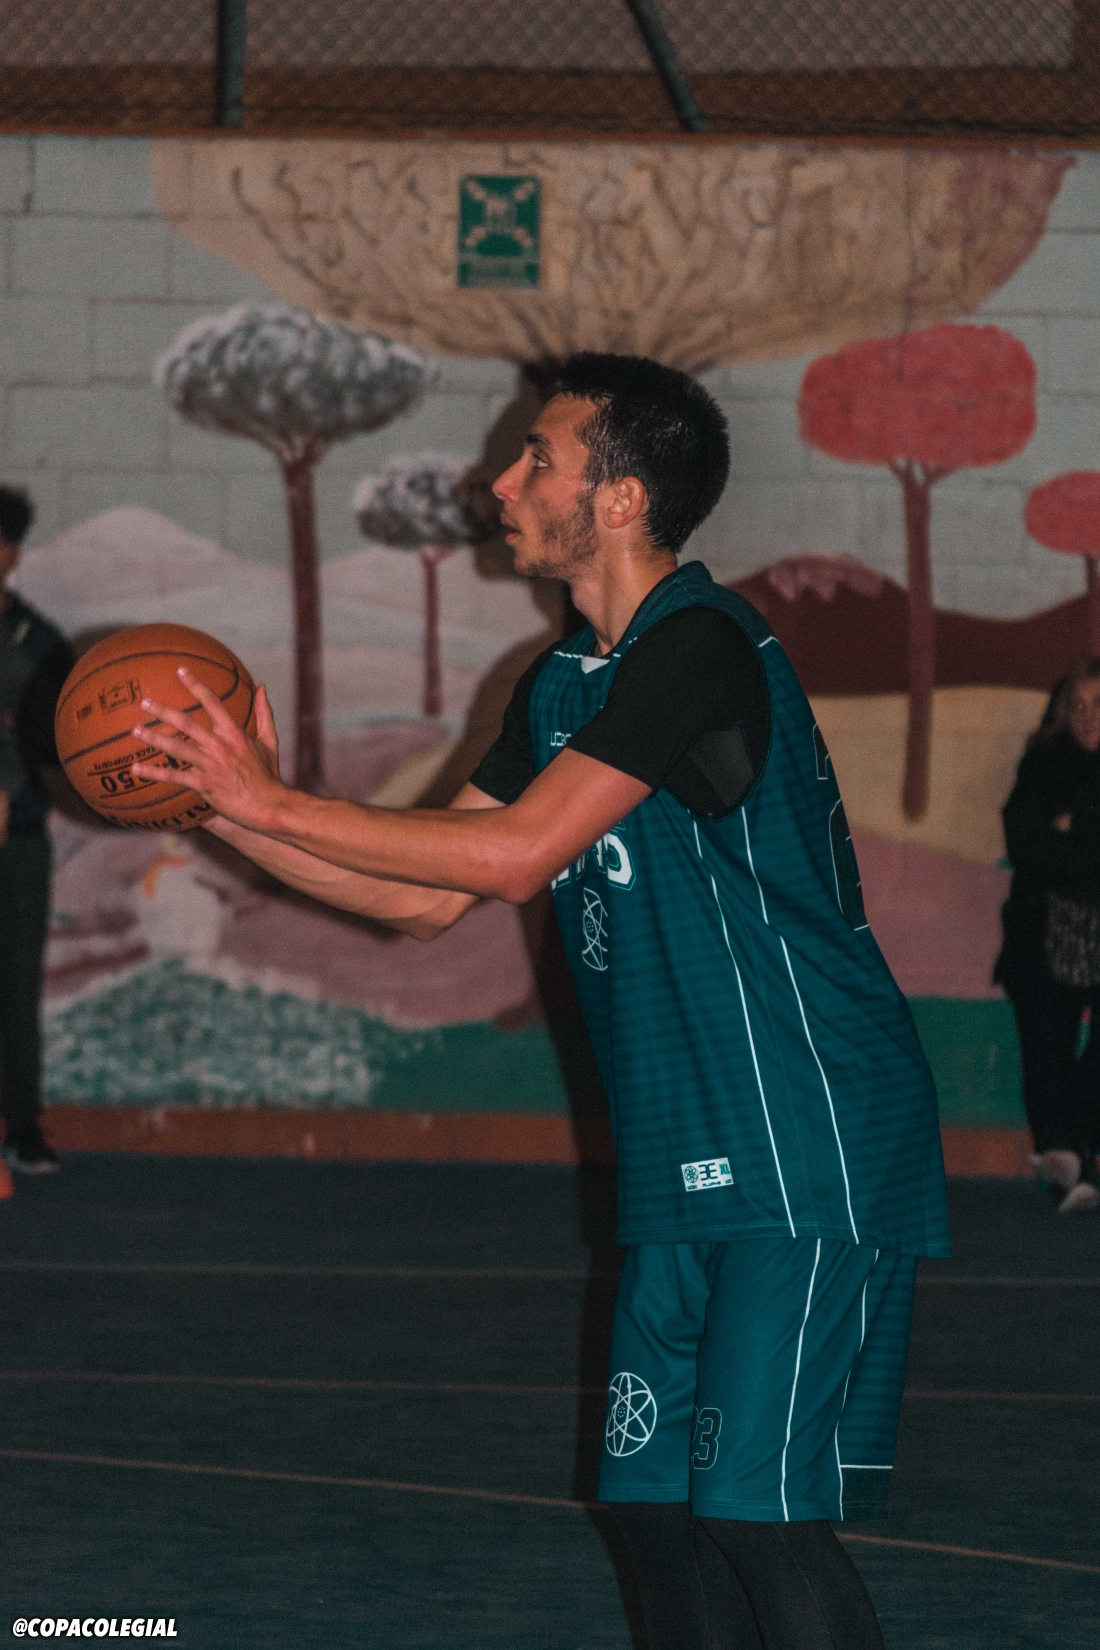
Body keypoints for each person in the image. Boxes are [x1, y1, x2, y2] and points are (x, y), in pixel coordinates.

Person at [132, 354, 950, 1650]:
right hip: (689, 1135)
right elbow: (420, 897)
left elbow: (514, 855)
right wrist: (220, 810)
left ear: (620, 500)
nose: (500, 481)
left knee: (756, 1518)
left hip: (807, 1128)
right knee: (652, 1511)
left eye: (537, 458)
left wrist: (273, 801)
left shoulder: (700, 647)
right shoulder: (565, 676)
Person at [996, 659, 1100, 1212]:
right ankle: (1068, 1163)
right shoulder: (1042, 763)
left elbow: (1059, 848)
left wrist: (1069, 829)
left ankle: (1074, 1150)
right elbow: (1024, 843)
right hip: (1041, 926)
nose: (1087, 717)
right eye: (1077, 705)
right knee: (1043, 1036)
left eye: (1098, 703)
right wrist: (1076, 837)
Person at [0, 485, 73, 1174]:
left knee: (17, 989)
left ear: (13, 555)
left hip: (18, 842)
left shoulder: (42, 644)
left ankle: (23, 1126)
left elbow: (60, 749)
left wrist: (12, 792)